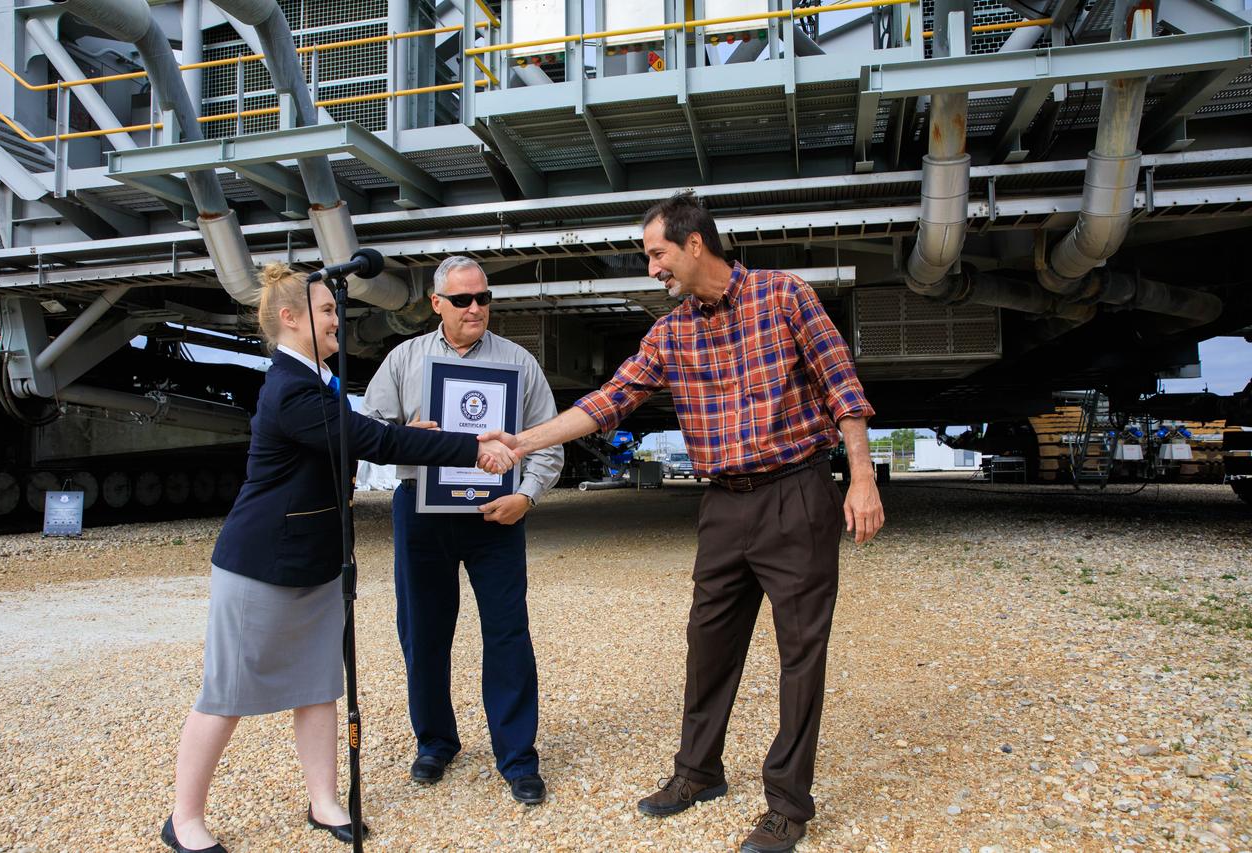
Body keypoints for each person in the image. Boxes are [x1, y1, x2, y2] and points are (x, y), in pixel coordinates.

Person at [482, 193, 885, 852]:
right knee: (708, 644)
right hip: (724, 503)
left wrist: (862, 477)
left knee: (800, 654)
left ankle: (787, 804)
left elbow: (843, 387)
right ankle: (698, 771)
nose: (652, 268)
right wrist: (525, 441)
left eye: (656, 253)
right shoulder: (670, 332)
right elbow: (609, 400)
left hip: (796, 491)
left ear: (695, 244)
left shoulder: (785, 296)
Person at [161, 263, 515, 853]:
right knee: (226, 693)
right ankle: (185, 818)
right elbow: (368, 438)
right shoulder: (291, 387)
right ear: (290, 318)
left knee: (319, 683)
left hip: (318, 557)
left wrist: (410, 431)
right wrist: (470, 441)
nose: (337, 319)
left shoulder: (317, 380)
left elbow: (356, 436)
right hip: (262, 564)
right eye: (327, 310)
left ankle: (324, 802)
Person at [361, 256, 563, 805]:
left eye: (483, 298)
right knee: (423, 631)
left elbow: (549, 440)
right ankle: (434, 742)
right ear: (436, 304)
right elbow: (368, 427)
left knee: (507, 632)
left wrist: (526, 496)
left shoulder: (518, 362)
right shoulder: (404, 358)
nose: (476, 308)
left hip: (495, 516)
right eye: (463, 300)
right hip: (422, 513)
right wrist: (405, 435)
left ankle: (517, 756)